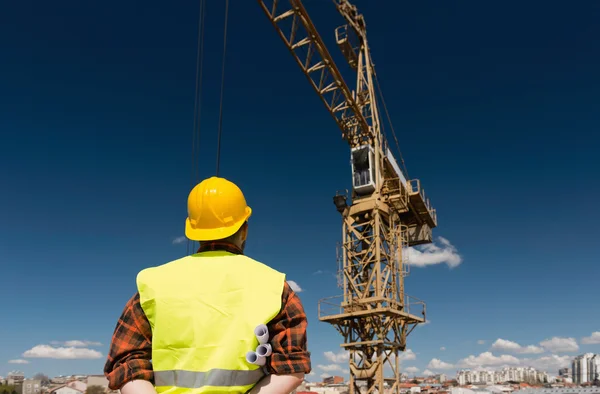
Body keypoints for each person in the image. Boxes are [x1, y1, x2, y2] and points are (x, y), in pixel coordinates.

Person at [104, 176, 311, 394]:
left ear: (193, 231)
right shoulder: (274, 286)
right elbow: (292, 367)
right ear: (245, 230)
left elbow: (126, 362)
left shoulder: (154, 284)